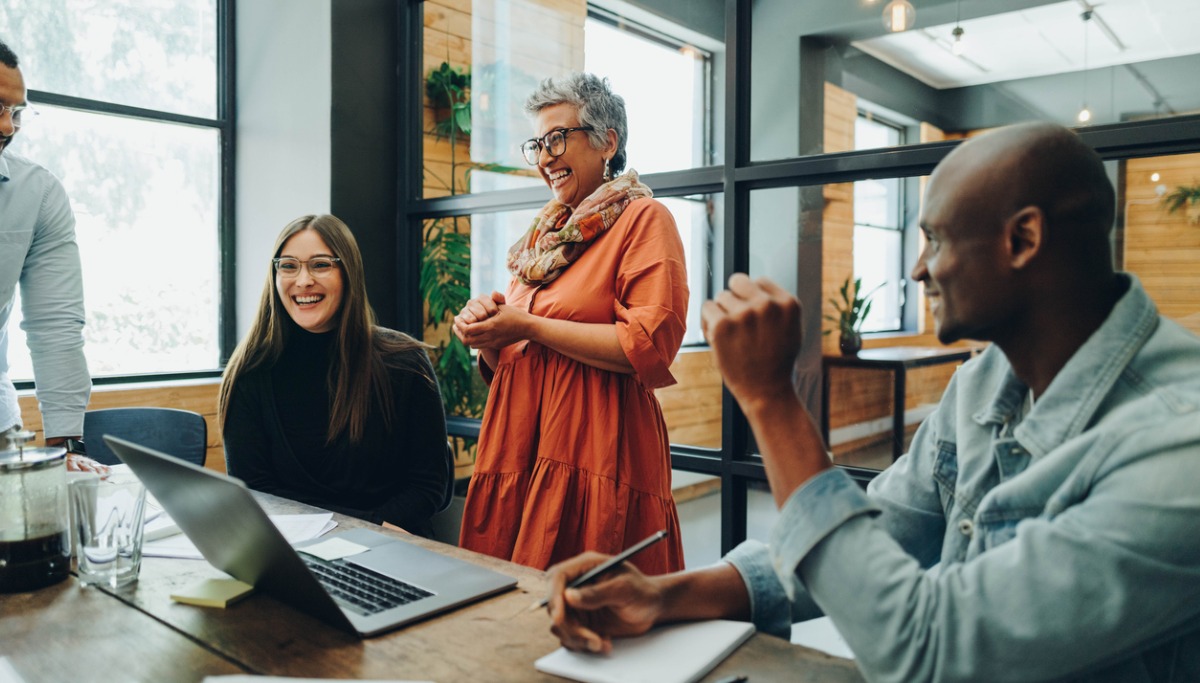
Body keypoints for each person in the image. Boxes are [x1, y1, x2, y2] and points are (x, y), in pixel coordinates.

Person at [544, 122, 1200, 682]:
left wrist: (772, 400)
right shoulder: (985, 379)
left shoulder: (1178, 448)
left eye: (936, 238)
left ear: (1023, 241)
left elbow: (929, 647)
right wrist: (665, 594)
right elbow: (878, 531)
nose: (918, 269)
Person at [453, 72, 688, 574]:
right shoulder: (543, 240)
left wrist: (528, 326)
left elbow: (646, 345)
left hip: (596, 450)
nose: (544, 157)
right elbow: (512, 360)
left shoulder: (645, 220)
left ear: (608, 142)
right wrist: (488, 333)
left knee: (593, 610)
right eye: (537, 144)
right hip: (519, 447)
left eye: (558, 138)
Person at [219, 214, 449, 537]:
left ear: (348, 273)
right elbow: (255, 492)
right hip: (291, 552)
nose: (303, 281)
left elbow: (428, 486)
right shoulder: (249, 372)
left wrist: (365, 532)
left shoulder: (405, 362)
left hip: (388, 546)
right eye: (288, 266)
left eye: (320, 265)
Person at [0, 38, 103, 473]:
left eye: (15, 112)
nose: (7, 127)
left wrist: (67, 449)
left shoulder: (37, 192)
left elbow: (55, 325)